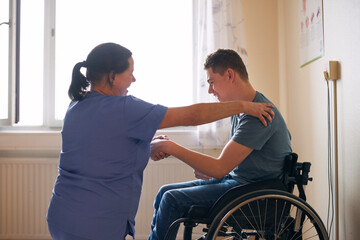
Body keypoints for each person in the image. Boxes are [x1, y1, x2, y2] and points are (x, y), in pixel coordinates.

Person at [46, 43, 275, 240]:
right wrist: (245, 106)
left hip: (62, 214)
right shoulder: (125, 108)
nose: (134, 79)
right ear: (112, 76)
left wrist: (146, 146)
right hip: (95, 222)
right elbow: (192, 116)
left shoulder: (76, 106)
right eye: (130, 72)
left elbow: (101, 153)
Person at [148, 49, 292, 240]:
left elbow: (219, 168)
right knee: (164, 192)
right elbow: (226, 165)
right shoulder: (242, 110)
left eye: (211, 82)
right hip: (238, 182)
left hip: (253, 192)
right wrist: (210, 169)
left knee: (171, 200)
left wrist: (171, 147)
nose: (210, 90)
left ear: (230, 74)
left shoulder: (260, 115)